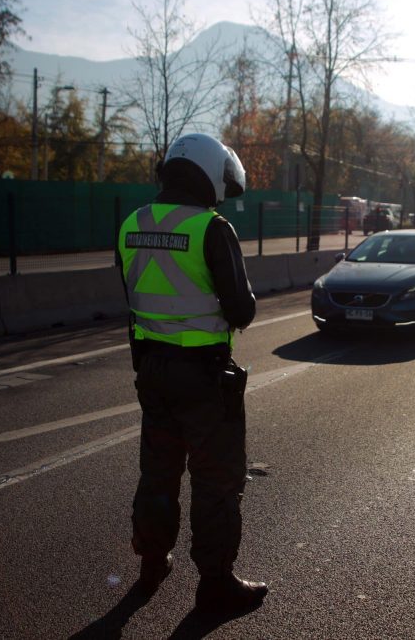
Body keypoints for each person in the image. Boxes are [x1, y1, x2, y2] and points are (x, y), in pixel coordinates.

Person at [117, 133, 268, 612]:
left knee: (157, 474)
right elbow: (241, 311)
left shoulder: (131, 224)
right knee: (215, 482)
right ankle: (216, 584)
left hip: (152, 371)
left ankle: (151, 564)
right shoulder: (211, 228)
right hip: (203, 376)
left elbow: (135, 297)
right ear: (207, 172)